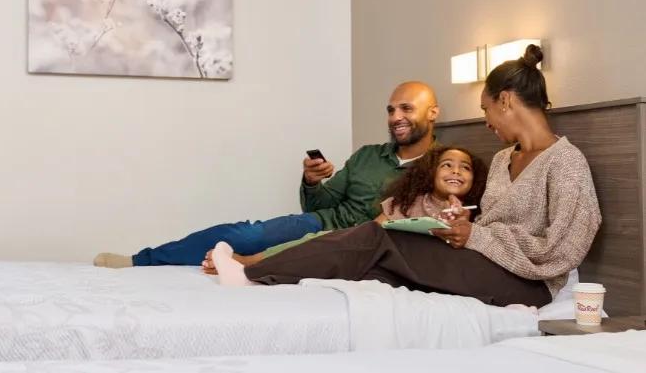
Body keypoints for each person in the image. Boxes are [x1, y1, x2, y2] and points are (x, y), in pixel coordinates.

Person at [211, 45, 601, 308]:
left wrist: (477, 235)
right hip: (484, 260)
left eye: (486, 110)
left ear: (506, 100)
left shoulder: (564, 162)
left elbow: (561, 252)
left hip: (527, 284)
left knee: (375, 238)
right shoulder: (502, 159)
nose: (486, 122)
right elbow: (491, 226)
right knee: (379, 259)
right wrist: (463, 224)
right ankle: (270, 288)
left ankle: (249, 273)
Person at [94, 82, 441, 268]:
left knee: (275, 261)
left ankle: (243, 268)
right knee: (243, 234)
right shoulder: (368, 155)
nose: (395, 116)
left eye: (406, 108)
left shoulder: (441, 168)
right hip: (318, 223)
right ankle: (142, 260)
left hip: (358, 243)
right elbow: (320, 203)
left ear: (433, 112)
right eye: (391, 109)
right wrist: (312, 181)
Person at [202, 145, 488, 273]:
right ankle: (251, 261)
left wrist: (461, 221)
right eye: (447, 165)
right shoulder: (407, 199)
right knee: (315, 243)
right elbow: (374, 228)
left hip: (409, 266)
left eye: (465, 168)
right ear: (430, 172)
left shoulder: (474, 212)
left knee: (323, 248)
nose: (455, 171)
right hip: (372, 247)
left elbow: (471, 244)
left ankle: (249, 265)